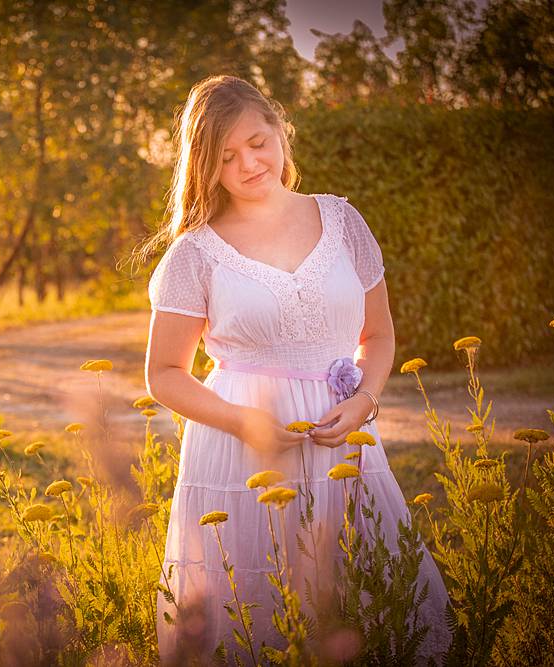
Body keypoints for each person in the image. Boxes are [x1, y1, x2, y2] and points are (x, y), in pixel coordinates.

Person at [140, 75, 451, 664]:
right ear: (204, 167)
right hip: (241, 452)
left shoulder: (342, 222)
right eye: (225, 156)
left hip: (345, 440)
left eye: (258, 141)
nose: (248, 163)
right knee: (255, 603)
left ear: (280, 129)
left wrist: (363, 401)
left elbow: (379, 335)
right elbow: (164, 373)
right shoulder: (196, 253)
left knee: (361, 594)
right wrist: (246, 424)